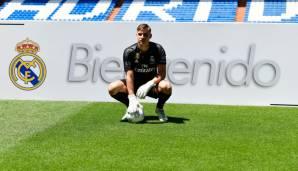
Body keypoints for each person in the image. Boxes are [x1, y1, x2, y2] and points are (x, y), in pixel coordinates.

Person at [108, 23, 172, 122]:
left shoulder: (158, 49)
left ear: (150, 36)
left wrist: (149, 84)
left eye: (145, 35)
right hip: (135, 83)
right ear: (136, 35)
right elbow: (129, 75)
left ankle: (159, 109)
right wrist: (131, 97)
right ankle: (131, 107)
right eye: (140, 34)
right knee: (112, 88)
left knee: (166, 87)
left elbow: (162, 73)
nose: (142, 37)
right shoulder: (129, 51)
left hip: (151, 85)